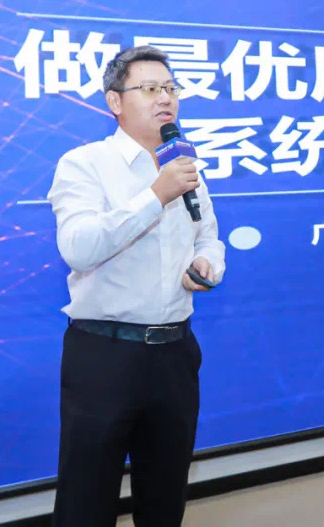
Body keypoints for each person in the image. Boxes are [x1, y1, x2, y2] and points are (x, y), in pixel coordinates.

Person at [47, 45, 226, 527]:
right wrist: (156, 194)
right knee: (86, 501)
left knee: (164, 497)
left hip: (175, 353)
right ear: (115, 101)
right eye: (150, 88)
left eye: (170, 88)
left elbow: (208, 236)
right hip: (104, 356)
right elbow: (79, 247)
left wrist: (207, 263)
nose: (165, 98)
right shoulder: (85, 163)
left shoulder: (183, 164)